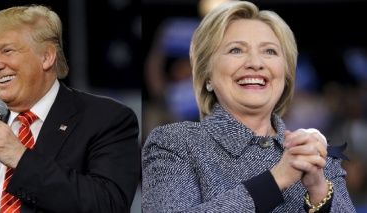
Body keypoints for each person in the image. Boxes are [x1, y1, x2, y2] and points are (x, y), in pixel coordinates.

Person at [141, 1, 355, 212]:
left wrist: (318, 190)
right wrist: (275, 181)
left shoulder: (318, 156)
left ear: (286, 75)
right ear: (207, 75)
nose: (255, 62)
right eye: (236, 50)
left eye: (269, 51)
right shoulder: (175, 144)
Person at [0, 4, 140, 213]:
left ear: (46, 57)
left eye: (7, 51)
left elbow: (108, 204)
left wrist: (20, 157)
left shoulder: (107, 119)